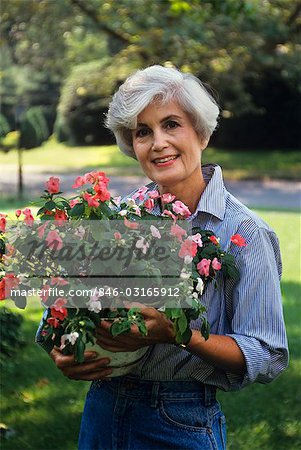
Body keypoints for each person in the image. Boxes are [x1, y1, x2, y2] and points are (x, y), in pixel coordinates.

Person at [37, 65, 289, 449]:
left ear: (201, 132)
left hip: (180, 418)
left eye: (172, 124)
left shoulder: (244, 233)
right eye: (143, 131)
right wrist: (63, 351)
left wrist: (180, 334)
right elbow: (59, 312)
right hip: (103, 408)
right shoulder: (115, 217)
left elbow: (266, 353)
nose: (158, 143)